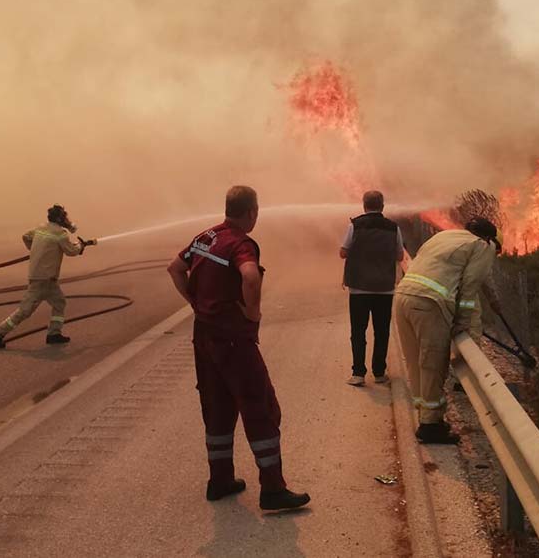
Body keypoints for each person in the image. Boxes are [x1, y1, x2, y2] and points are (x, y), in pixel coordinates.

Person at [167, 185, 310, 511]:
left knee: (217, 407)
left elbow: (174, 268)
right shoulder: (241, 243)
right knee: (260, 407)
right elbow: (250, 276)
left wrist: (194, 302)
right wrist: (253, 312)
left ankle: (220, 480)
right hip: (233, 339)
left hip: (204, 336)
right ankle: (273, 489)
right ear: (251, 212)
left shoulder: (205, 237)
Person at [393, 217, 502, 444]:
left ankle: (426, 414)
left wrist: (493, 300)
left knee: (415, 362)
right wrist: (462, 322)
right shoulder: (483, 246)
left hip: (403, 297)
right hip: (429, 303)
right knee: (433, 364)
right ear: (489, 239)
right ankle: (430, 426)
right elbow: (470, 285)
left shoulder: (444, 236)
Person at [0, 205, 93, 347]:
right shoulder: (60, 234)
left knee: (59, 302)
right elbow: (71, 251)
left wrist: (35, 249)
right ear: (59, 218)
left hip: (42, 277)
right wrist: (81, 245)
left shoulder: (40, 228)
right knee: (26, 310)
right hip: (45, 279)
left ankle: (54, 333)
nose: (66, 219)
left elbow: (25, 236)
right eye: (64, 216)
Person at [339, 190, 405, 387]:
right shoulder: (394, 228)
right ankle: (379, 373)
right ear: (382, 206)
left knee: (358, 331)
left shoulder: (354, 225)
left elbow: (343, 252)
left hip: (359, 289)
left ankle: (358, 373)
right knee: (382, 331)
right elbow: (400, 256)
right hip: (384, 289)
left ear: (364, 205)